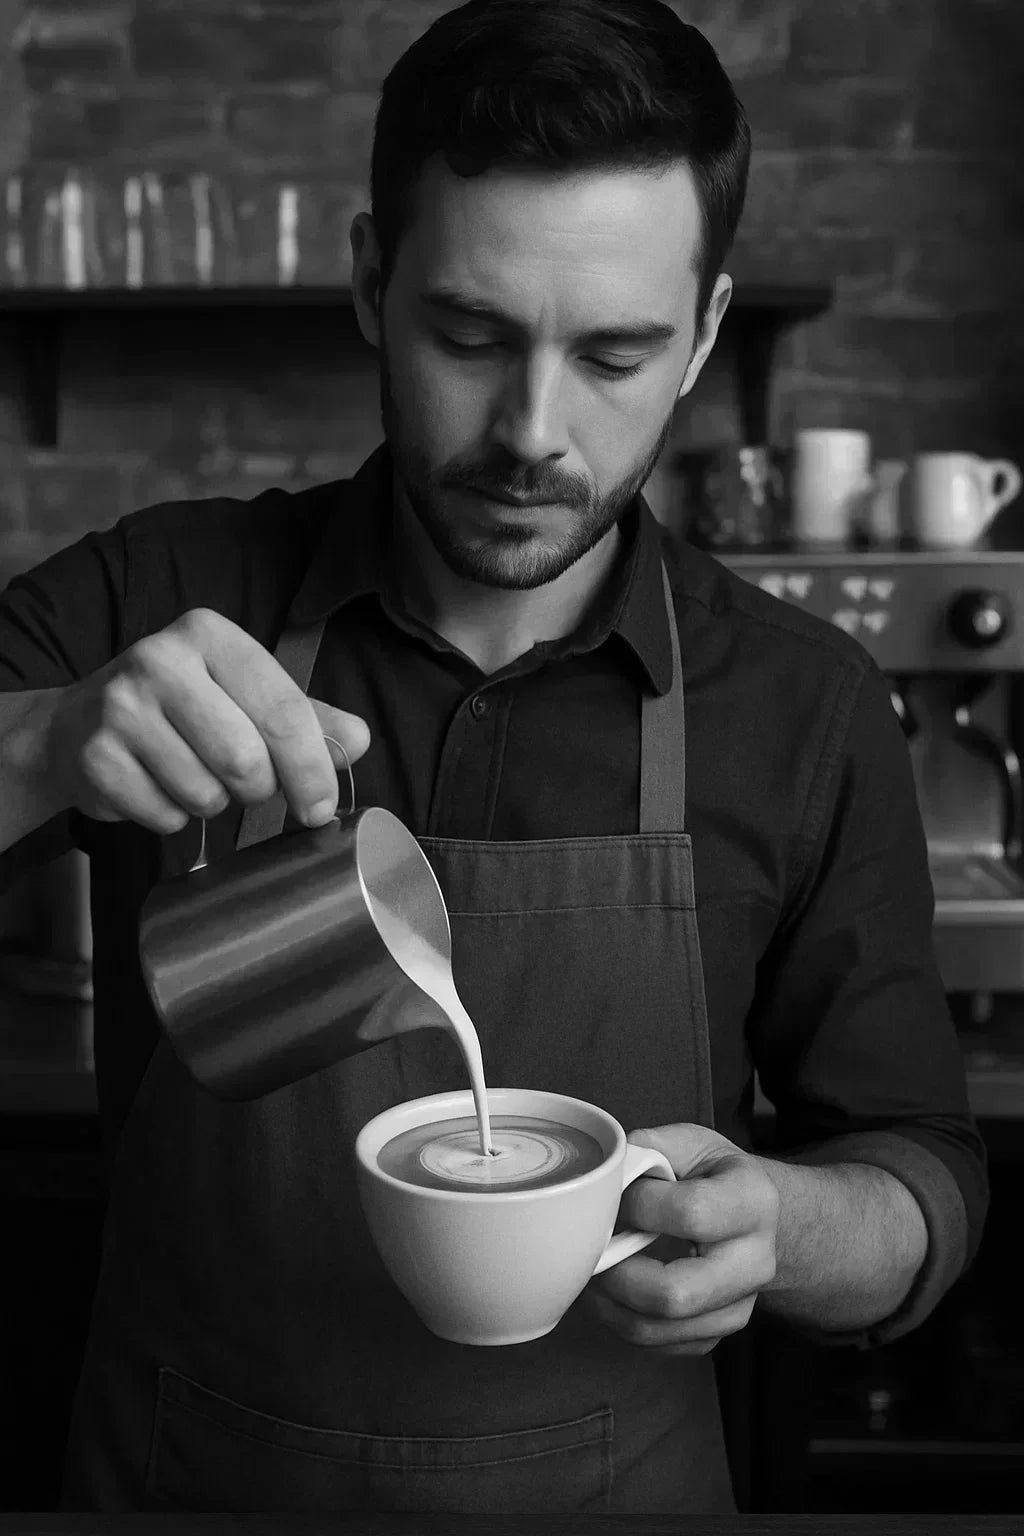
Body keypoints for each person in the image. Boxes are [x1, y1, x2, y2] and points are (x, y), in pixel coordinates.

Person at [0, 0, 987, 1515]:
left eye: (616, 353)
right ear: (367, 283)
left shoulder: (806, 706)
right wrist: (43, 741)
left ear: (707, 332)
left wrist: (789, 1228)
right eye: (469, 335)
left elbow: (924, 1175)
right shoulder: (157, 597)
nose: (534, 431)